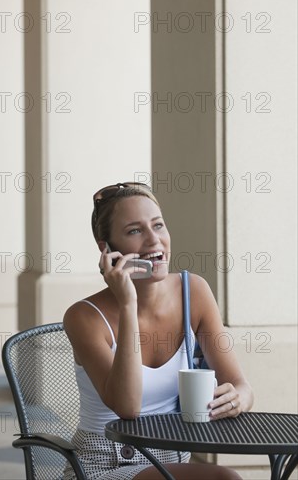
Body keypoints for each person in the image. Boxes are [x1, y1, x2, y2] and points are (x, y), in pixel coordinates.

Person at [64, 182, 253, 480]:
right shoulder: (83, 317)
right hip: (104, 465)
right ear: (107, 249)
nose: (155, 241)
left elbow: (240, 385)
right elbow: (128, 407)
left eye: (158, 225)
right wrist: (128, 304)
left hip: (171, 460)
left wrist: (238, 398)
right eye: (135, 231)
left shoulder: (194, 292)